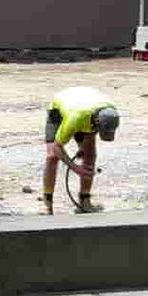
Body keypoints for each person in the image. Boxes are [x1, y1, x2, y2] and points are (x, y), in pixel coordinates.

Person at [41, 86, 119, 214]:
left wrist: (83, 148)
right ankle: (47, 203)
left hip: (86, 107)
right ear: (97, 121)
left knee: (90, 155)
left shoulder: (111, 113)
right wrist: (76, 169)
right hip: (60, 109)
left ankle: (85, 200)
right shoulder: (75, 118)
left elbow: (92, 131)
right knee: (52, 157)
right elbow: (57, 147)